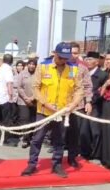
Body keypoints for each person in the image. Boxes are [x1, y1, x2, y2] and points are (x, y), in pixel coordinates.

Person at [21, 42, 84, 178]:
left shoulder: (74, 69)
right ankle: (32, 164)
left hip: (62, 112)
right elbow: (36, 88)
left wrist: (72, 105)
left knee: (59, 139)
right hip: (44, 111)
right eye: (61, 57)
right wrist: (46, 104)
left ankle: (57, 164)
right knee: (37, 139)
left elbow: (79, 89)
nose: (63, 60)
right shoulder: (43, 67)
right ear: (55, 54)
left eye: (66, 58)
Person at [64, 42, 93, 168]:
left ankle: (72, 157)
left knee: (75, 133)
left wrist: (88, 101)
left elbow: (88, 86)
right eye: (71, 52)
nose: (73, 55)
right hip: (61, 106)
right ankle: (57, 157)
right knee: (60, 133)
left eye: (75, 53)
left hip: (78, 106)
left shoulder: (83, 68)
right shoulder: (60, 66)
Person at [80, 52, 108, 159]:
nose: (87, 61)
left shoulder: (102, 75)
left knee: (95, 131)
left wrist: (91, 102)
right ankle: (84, 152)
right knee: (83, 131)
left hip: (95, 106)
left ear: (97, 62)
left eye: (90, 59)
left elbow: (102, 92)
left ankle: (95, 154)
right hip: (81, 104)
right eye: (86, 59)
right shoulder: (83, 72)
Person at [0, 54, 17, 146]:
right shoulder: (8, 69)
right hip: (5, 97)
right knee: (7, 120)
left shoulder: (0, 68)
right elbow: (9, 83)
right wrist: (11, 95)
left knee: (0, 119)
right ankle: (5, 139)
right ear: (11, 61)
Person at [17, 59, 37, 148]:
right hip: (23, 102)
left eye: (33, 64)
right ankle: (25, 139)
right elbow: (19, 87)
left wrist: (32, 98)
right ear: (27, 65)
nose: (32, 66)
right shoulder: (22, 74)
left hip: (35, 101)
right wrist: (26, 98)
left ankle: (32, 139)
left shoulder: (38, 74)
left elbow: (40, 87)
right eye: (30, 64)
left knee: (33, 121)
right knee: (25, 121)